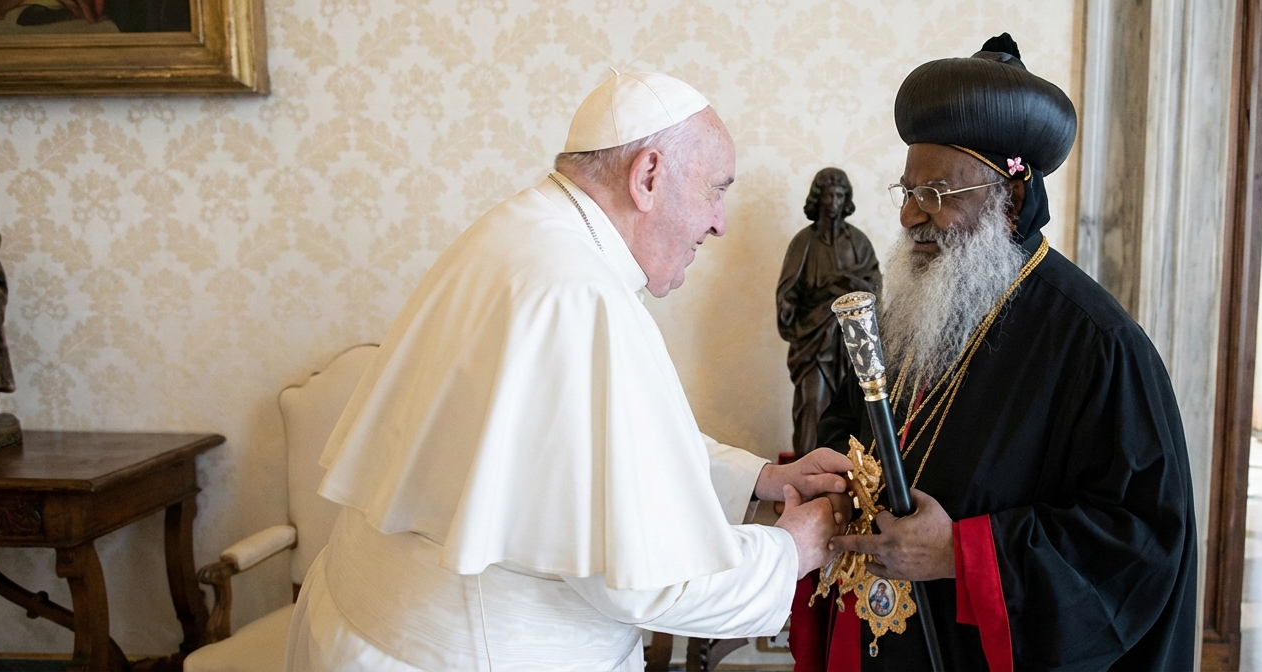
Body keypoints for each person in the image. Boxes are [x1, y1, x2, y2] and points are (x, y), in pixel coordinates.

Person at [287, 71, 851, 672]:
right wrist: (791, 551)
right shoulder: (579, 294)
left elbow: (592, 455)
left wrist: (757, 477)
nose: (720, 223)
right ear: (649, 176)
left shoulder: (519, 232)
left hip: (371, 623)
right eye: (716, 190)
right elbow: (643, 577)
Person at [796, 35, 1198, 671]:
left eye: (936, 192)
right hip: (879, 630)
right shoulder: (907, 306)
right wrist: (837, 482)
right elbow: (854, 425)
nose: (908, 218)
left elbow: (1140, 544)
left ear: (1008, 199)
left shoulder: (1097, 343)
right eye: (906, 191)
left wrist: (960, 553)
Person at [776, 168, 880, 458]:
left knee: (853, 410)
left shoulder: (858, 243)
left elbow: (875, 287)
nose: (834, 201)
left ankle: (845, 479)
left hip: (852, 344)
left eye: (840, 195)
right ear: (817, 198)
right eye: (828, 195)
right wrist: (825, 292)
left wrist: (849, 285)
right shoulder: (804, 243)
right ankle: (807, 480)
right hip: (815, 341)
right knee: (813, 404)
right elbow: (788, 294)